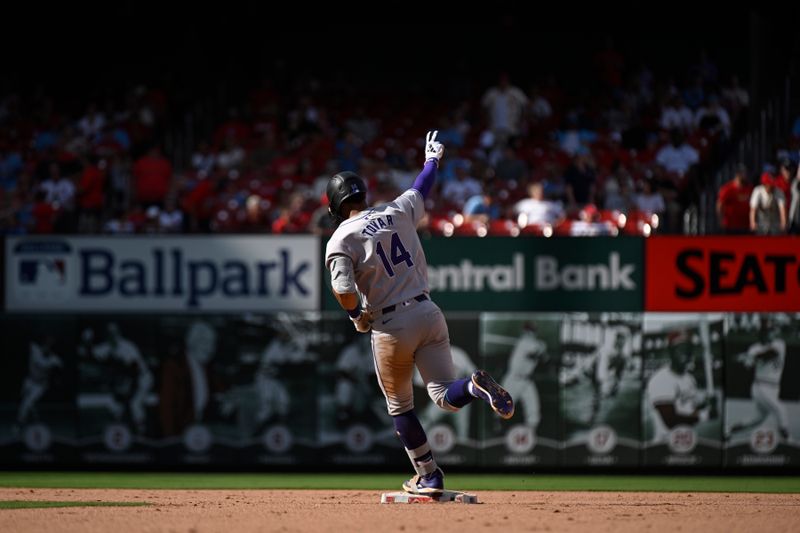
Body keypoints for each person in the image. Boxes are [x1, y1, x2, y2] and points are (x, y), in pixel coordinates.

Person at [324, 131, 514, 496]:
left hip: (391, 324)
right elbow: (421, 188)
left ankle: (428, 475)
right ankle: (473, 387)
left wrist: (355, 316)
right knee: (444, 394)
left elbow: (344, 290)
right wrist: (432, 160)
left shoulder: (340, 239)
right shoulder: (395, 209)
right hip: (428, 311)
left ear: (336, 205)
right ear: (363, 194)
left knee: (400, 407)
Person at [727, 318, 789, 441]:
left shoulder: (779, 344)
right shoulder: (754, 348)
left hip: (774, 388)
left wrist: (749, 356)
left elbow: (770, 354)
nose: (769, 333)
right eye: (766, 331)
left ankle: (729, 430)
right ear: (761, 333)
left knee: (757, 419)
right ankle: (787, 440)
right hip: (761, 386)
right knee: (781, 410)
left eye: (771, 330)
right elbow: (748, 366)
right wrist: (745, 360)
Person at [645, 331, 713, 443]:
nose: (687, 354)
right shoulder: (661, 380)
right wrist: (705, 415)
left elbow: (687, 408)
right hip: (665, 443)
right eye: (682, 349)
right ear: (671, 352)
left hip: (687, 439)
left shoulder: (689, 378)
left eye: (689, 349)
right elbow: (670, 420)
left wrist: (704, 404)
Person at [500, 322, 546, 434]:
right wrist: (542, 348)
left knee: (533, 409)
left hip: (527, 380)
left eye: (532, 331)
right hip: (513, 380)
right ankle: (498, 430)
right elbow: (535, 354)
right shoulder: (524, 343)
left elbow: (543, 358)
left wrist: (542, 348)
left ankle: (531, 433)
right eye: (528, 331)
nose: (530, 333)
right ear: (524, 332)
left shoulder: (534, 343)